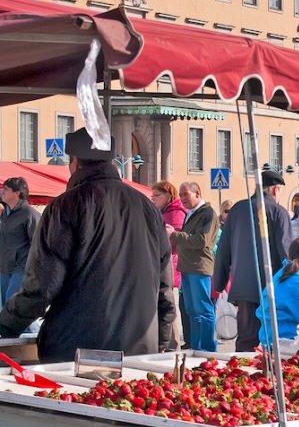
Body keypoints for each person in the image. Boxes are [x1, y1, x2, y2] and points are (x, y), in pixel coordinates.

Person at [0, 128, 173, 362]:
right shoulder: (148, 208)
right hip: (140, 349)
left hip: (77, 349)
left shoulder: (65, 206)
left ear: (75, 162)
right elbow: (164, 287)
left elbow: (42, 287)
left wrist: (5, 327)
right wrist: (161, 340)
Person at [212, 170, 293, 352]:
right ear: (274, 190)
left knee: (246, 340)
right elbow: (286, 251)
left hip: (243, 288)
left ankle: (242, 375)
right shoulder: (278, 212)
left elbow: (223, 250)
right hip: (272, 287)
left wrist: (219, 282)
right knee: (271, 341)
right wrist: (297, 281)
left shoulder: (237, 209)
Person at [170, 181, 218, 352]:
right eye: (180, 195)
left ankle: (207, 349)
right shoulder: (192, 213)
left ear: (197, 193)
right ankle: (196, 347)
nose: (182, 198)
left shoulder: (208, 214)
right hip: (188, 267)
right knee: (192, 310)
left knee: (203, 310)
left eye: (185, 194)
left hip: (199, 267)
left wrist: (174, 235)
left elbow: (201, 240)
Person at [151, 181, 187, 349]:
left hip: (171, 266)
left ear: (167, 195)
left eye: (156, 196)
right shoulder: (165, 211)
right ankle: (171, 343)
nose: (153, 199)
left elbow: (173, 239)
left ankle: (174, 345)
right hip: (166, 264)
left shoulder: (175, 212)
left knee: (171, 307)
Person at [0, 177, 39, 303]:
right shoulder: (4, 214)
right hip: (5, 268)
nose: (2, 191)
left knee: (12, 305)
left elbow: (38, 243)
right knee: (7, 308)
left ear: (17, 193)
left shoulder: (30, 214)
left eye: (6, 189)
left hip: (22, 268)